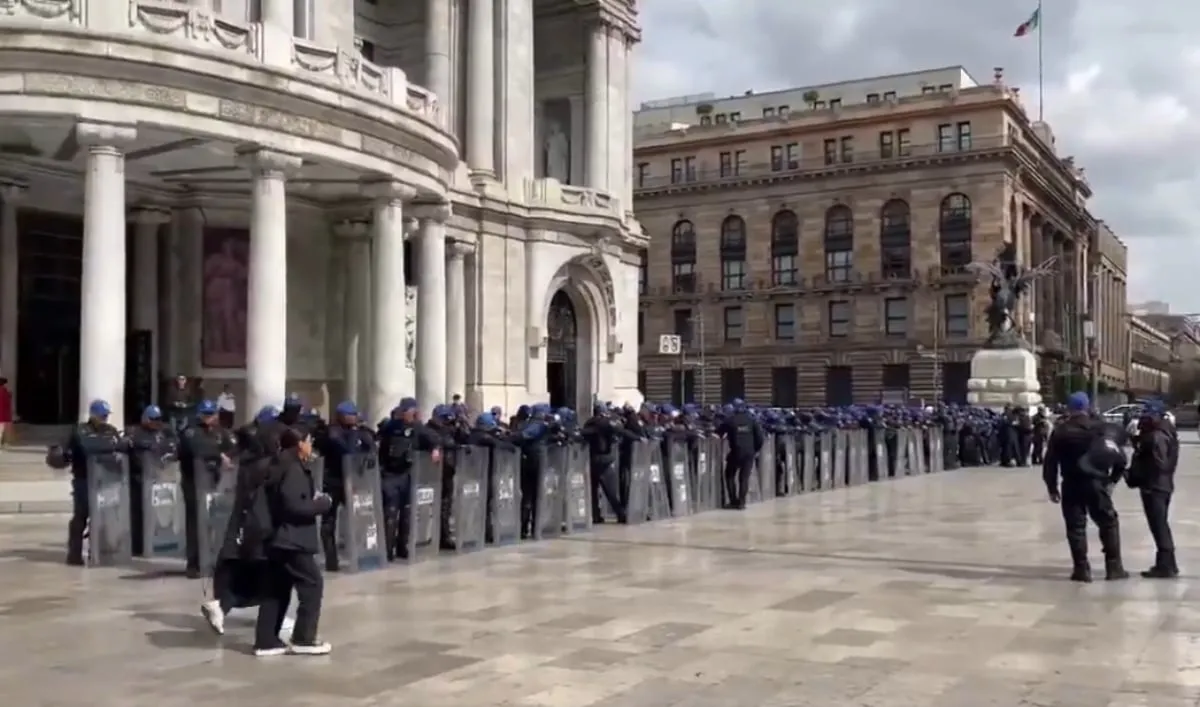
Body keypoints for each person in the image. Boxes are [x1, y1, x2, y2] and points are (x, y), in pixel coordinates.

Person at [254, 426, 331, 656]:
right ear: (300, 444)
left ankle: (266, 640)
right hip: (292, 539)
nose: (311, 446)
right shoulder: (293, 469)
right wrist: (322, 504)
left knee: (277, 588)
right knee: (312, 584)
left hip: (279, 538)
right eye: (309, 441)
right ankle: (303, 638)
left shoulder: (279, 465)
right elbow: (294, 506)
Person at [1042, 392, 1128, 583]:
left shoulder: (1061, 431)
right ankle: (1114, 567)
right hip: (1097, 483)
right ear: (1087, 407)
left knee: (1075, 527)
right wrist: (1112, 480)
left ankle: (1081, 569)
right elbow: (1120, 458)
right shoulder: (1100, 429)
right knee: (1108, 523)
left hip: (1071, 483)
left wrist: (1052, 487)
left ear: (1069, 408)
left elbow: (1050, 462)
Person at [61, 399, 125, 565]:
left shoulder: (111, 430)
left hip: (107, 480)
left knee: (107, 516)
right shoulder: (80, 430)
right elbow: (87, 447)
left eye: (106, 416)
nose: (104, 419)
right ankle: (74, 554)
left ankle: (101, 552)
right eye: (101, 416)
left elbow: (120, 446)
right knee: (81, 516)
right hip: (84, 479)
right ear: (93, 415)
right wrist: (107, 446)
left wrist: (105, 446)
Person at [1127, 405, 1180, 578]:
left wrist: (1140, 472)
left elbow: (1159, 463)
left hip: (1155, 487)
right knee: (1160, 525)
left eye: (1147, 416)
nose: (1143, 420)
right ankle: (1167, 563)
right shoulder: (1165, 433)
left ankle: (1166, 565)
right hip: (1161, 485)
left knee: (1159, 526)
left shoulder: (1157, 437)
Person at [123, 405, 177, 557]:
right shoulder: (137, 433)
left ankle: (160, 543)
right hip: (139, 480)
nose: (156, 422)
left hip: (160, 478)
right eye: (153, 419)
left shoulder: (164, 432)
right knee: (138, 514)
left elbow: (173, 445)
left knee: (161, 514)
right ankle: (138, 546)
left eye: (158, 419)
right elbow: (137, 446)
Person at [716, 399, 764, 510]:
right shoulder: (752, 420)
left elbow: (718, 432)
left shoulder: (730, 420)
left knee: (729, 475)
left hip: (736, 452)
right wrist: (755, 450)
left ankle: (733, 501)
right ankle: (742, 503)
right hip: (749, 453)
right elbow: (760, 438)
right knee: (744, 478)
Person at [0, 376, 13, 448]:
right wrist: (10, 395)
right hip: (3, 414)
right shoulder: (4, 390)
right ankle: (2, 443)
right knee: (3, 430)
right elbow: (7, 402)